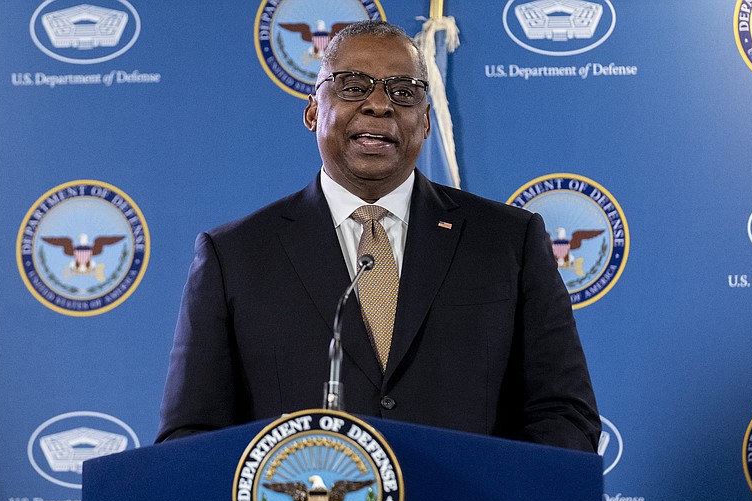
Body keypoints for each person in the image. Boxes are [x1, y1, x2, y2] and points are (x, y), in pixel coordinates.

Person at [157, 20, 600, 452]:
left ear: (425, 121)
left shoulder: (509, 242)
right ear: (313, 111)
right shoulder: (235, 256)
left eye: (402, 92)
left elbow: (564, 414)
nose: (379, 105)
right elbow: (192, 435)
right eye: (353, 86)